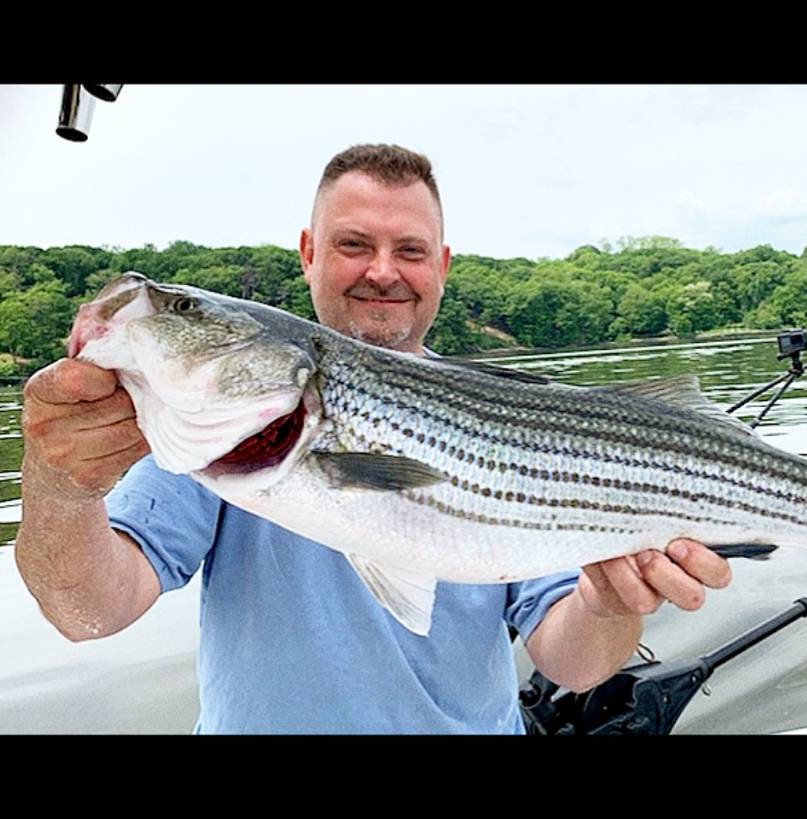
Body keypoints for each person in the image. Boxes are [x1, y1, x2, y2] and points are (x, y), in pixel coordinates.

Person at [15, 144, 732, 733]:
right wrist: (57, 483)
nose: (382, 271)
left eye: (409, 250)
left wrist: (615, 600)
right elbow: (89, 611)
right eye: (354, 244)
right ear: (309, 252)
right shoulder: (200, 435)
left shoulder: (513, 417)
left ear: (442, 265)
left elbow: (572, 663)